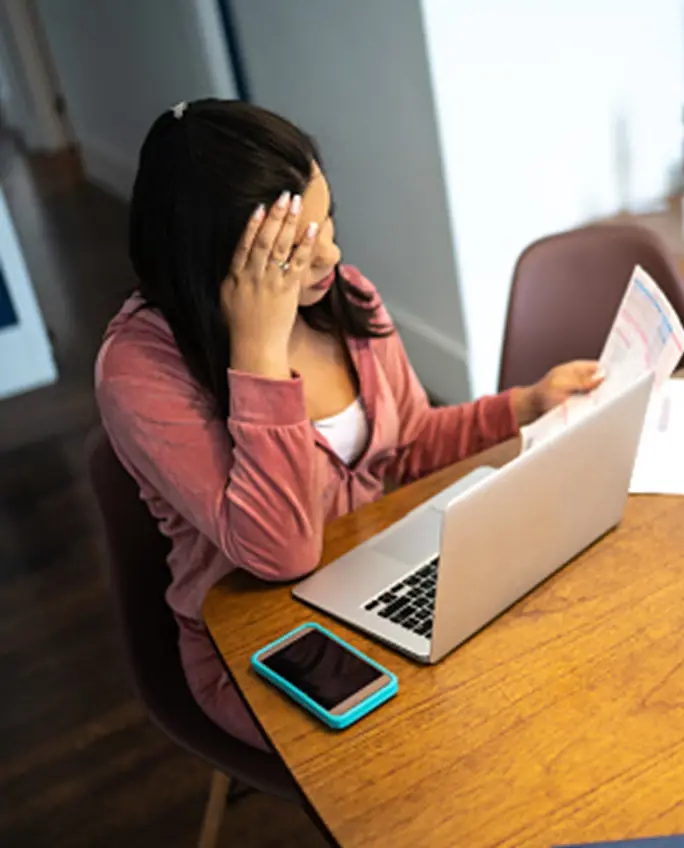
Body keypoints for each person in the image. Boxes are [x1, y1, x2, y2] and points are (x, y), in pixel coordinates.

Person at [95, 100, 601, 749]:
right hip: (264, 644)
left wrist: (524, 405)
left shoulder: (345, 296)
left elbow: (413, 442)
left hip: (380, 576)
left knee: (547, 664)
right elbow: (281, 552)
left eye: (327, 217)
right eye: (297, 250)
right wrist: (259, 352)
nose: (331, 253)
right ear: (220, 267)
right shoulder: (140, 371)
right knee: (446, 742)